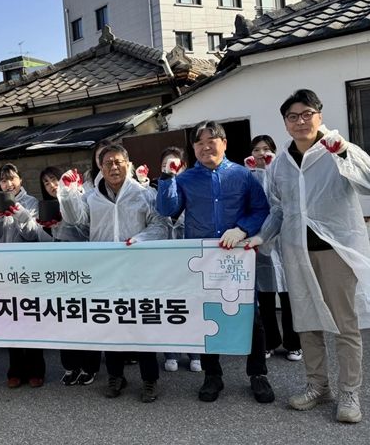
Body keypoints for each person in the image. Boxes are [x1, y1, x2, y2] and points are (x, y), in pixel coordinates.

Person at [247, 89, 370, 423]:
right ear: (285, 123)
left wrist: (343, 152)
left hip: (336, 250)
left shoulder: (336, 149)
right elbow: (278, 209)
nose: (300, 121)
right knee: (306, 321)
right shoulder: (280, 164)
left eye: (306, 114)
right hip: (297, 251)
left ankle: (349, 393)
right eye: (293, 117)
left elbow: (368, 182)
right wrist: (261, 237)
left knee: (345, 325)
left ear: (319, 115)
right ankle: (318, 386)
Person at [156, 121, 274, 404]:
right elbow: (167, 209)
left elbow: (261, 209)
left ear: (224, 143)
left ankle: (258, 374)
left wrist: (243, 229)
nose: (205, 146)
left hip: (237, 257)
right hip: (204, 258)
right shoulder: (185, 179)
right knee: (207, 315)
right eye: (199, 142)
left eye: (211, 140)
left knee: (250, 315)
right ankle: (212, 375)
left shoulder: (243, 175)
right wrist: (167, 177)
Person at [58, 144, 168, 403]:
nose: (114, 167)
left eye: (118, 162)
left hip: (138, 270)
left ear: (128, 164)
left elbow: (160, 226)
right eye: (108, 163)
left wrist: (140, 239)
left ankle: (150, 379)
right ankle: (116, 376)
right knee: (110, 325)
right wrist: (68, 193)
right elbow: (76, 221)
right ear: (101, 167)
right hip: (105, 271)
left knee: (142, 325)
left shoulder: (144, 194)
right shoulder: (92, 197)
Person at [0, 163, 46, 388]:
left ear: (20, 180)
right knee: (9, 318)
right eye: (3, 180)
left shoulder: (32, 203)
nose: (8, 184)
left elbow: (34, 236)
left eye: (12, 178)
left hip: (28, 269)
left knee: (31, 318)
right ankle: (15, 370)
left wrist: (20, 214)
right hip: (3, 270)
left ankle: (36, 370)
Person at [37, 167, 98, 386]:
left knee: (85, 317)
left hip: (82, 266)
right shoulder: (46, 207)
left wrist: (64, 225)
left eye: (54, 179)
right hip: (59, 268)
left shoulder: (79, 196)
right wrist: (47, 227)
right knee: (63, 317)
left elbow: (87, 229)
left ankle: (90, 367)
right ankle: (71, 365)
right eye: (46, 183)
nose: (51, 185)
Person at [244, 136, 302, 362]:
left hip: (284, 240)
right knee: (265, 298)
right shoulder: (247, 175)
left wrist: (268, 170)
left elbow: (279, 202)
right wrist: (257, 173)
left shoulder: (282, 171)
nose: (261, 153)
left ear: (274, 151)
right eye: (256, 149)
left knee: (289, 298)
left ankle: (293, 344)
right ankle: (269, 342)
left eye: (266, 149)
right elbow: (255, 202)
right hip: (260, 241)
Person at [154, 147, 202, 374]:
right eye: (166, 164)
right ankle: (171, 352)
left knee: (192, 306)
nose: (171, 168)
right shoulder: (155, 192)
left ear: (184, 167)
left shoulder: (193, 191)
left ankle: (195, 352)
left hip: (190, 259)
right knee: (169, 306)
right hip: (164, 262)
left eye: (175, 164)